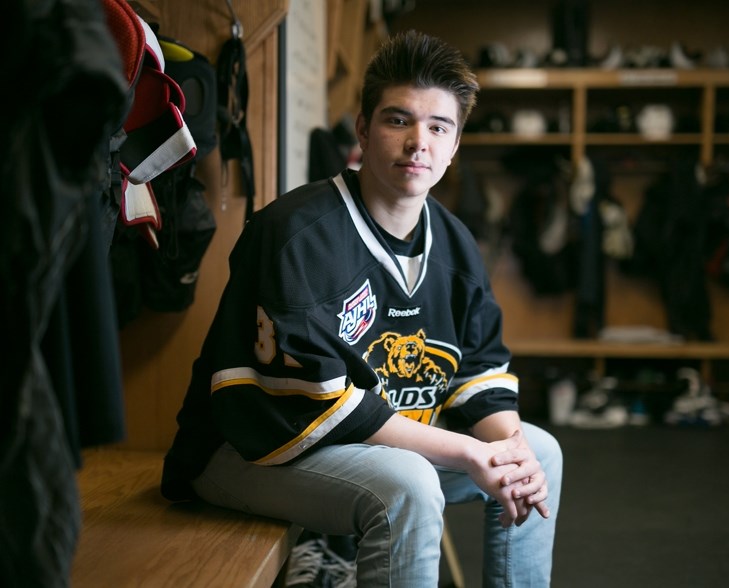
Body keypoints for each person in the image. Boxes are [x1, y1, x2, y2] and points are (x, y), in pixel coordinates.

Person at [161, 29, 562, 587]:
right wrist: (469, 453)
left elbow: (480, 373)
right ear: (363, 130)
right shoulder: (298, 232)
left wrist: (511, 453)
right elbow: (328, 405)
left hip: (375, 450)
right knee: (411, 484)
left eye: (438, 127)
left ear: (454, 147)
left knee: (539, 451)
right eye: (399, 120)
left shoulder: (456, 243)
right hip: (250, 450)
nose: (418, 141)